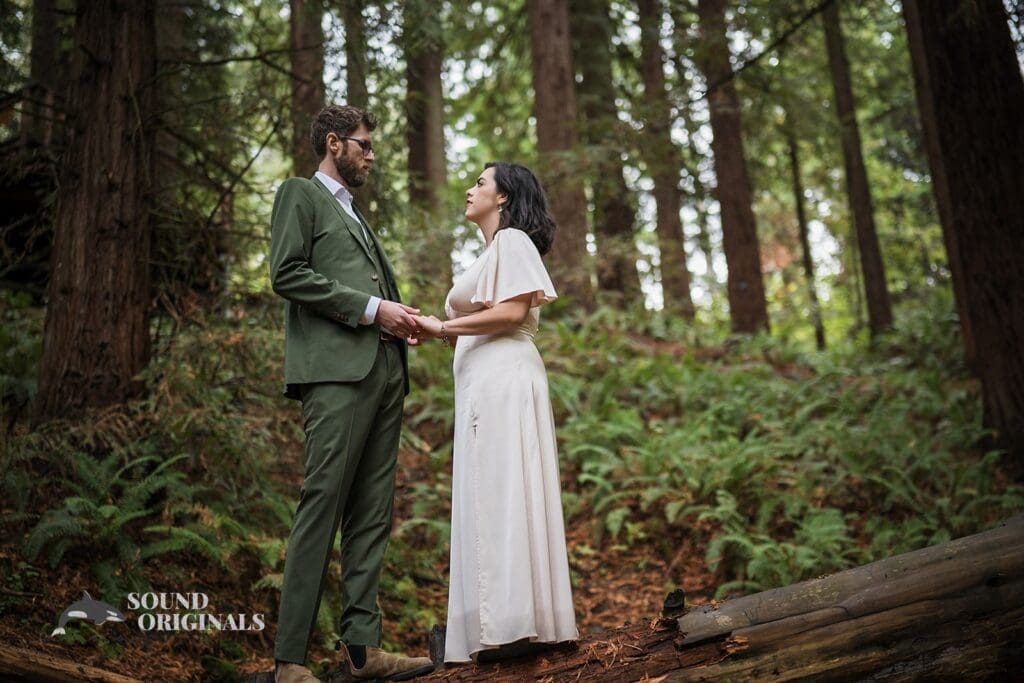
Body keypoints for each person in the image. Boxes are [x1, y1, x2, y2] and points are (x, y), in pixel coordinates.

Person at [268, 104, 434, 683]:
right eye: (364, 145)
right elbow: (285, 273)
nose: (371, 154)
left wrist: (396, 318)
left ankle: (362, 652)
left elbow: (371, 292)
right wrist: (372, 309)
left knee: (370, 514)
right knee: (322, 507)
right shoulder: (300, 194)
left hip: (386, 371)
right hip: (336, 377)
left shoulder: (356, 216)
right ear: (334, 144)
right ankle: (290, 661)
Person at [414, 162, 579, 663]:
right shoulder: (492, 252)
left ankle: (513, 624)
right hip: (484, 384)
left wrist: (441, 329)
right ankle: (500, 625)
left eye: (480, 183)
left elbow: (510, 313)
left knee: (504, 491)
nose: (470, 189)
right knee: (491, 491)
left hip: (505, 381)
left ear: (504, 197)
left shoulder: (512, 243)